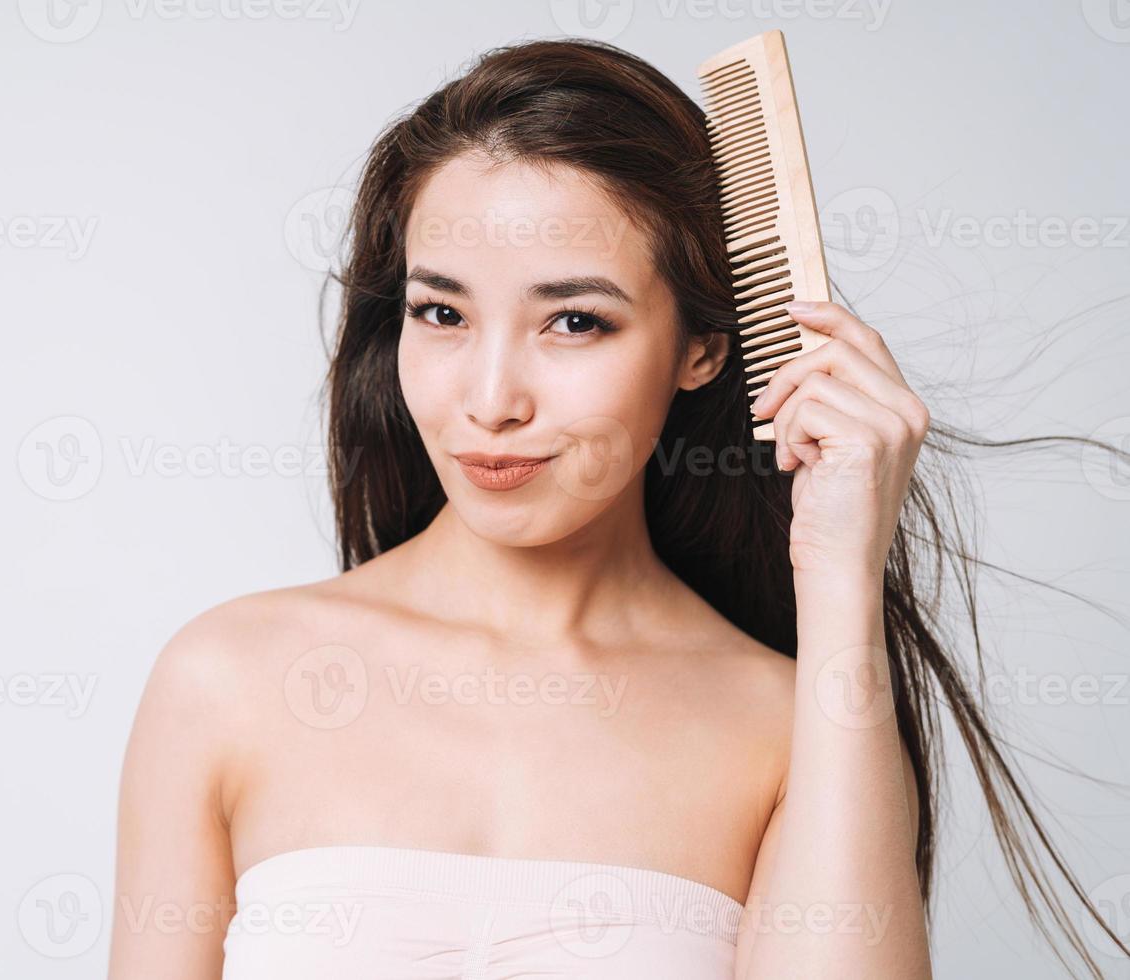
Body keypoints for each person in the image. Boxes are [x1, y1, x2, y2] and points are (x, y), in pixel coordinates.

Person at [108, 38, 1126, 979]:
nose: (492, 398)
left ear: (703, 345)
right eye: (442, 311)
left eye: (575, 320)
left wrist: (841, 575)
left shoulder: (788, 721)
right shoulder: (227, 678)